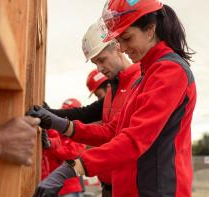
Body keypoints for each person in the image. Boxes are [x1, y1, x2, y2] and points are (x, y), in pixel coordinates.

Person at [45, 21, 141, 196]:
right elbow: (85, 114)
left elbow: (122, 138)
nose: (99, 68)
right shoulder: (114, 88)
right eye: (95, 63)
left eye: (102, 60)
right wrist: (48, 113)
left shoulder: (140, 82)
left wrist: (77, 166)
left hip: (132, 187)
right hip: (111, 184)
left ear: (118, 48)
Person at [41, 98, 86, 197]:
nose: (64, 118)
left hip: (69, 189)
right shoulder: (57, 132)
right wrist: (48, 118)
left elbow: (69, 154)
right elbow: (53, 141)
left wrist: (50, 144)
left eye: (68, 115)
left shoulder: (81, 137)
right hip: (51, 187)